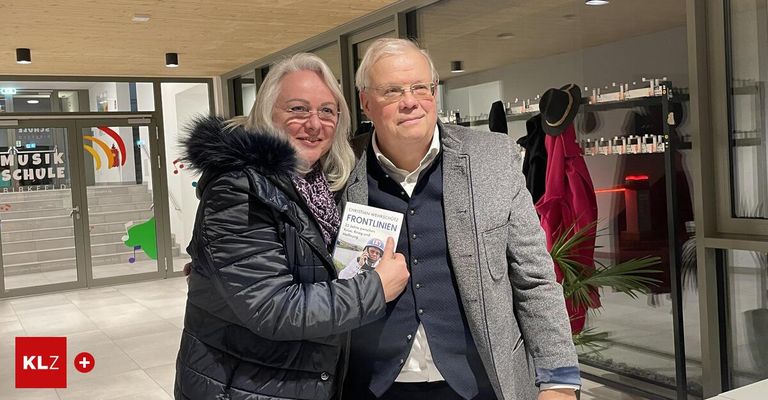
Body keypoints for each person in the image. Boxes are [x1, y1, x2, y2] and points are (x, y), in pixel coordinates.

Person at [341, 38, 580, 400]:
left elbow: (535, 279)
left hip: (480, 385)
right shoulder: (339, 172)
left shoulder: (492, 159)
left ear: (434, 91)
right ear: (366, 102)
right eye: (392, 91)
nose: (410, 101)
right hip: (371, 387)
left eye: (420, 87)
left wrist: (559, 382)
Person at [174, 53, 410, 400]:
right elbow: (273, 308)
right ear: (267, 114)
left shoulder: (321, 185)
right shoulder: (239, 189)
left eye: (327, 111)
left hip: (299, 380)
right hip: (245, 387)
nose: (314, 124)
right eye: (298, 109)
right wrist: (375, 288)